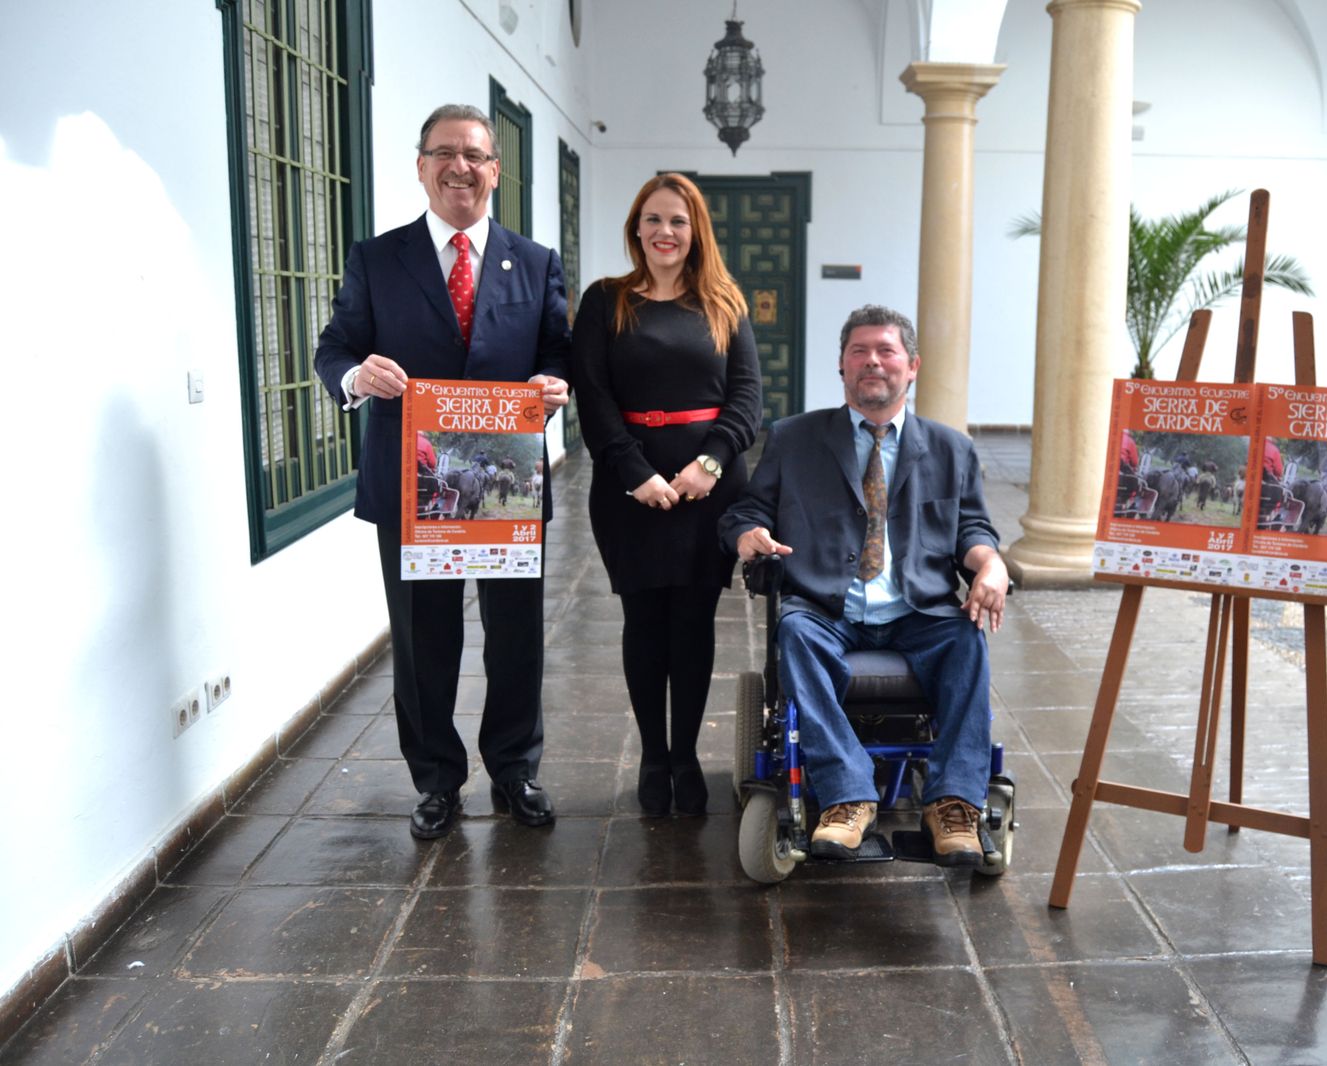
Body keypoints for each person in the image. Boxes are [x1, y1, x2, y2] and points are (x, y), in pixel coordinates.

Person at [314, 103, 571, 840]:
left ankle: (515, 768)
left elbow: (557, 351)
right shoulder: (377, 259)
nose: (461, 167)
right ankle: (435, 780)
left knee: (514, 635)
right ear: (421, 166)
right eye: (445, 154)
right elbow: (334, 350)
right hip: (414, 486)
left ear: (496, 170)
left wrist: (554, 385)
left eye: (476, 155)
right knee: (423, 638)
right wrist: (356, 376)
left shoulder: (535, 262)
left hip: (506, 485)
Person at [718, 305, 1009, 865]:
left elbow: (971, 529)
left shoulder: (951, 449)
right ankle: (848, 795)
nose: (872, 361)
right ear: (842, 366)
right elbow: (746, 512)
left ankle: (953, 803)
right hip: (827, 608)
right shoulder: (794, 438)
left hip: (917, 610)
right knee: (795, 634)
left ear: (912, 366)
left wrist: (990, 564)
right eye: (859, 351)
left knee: (966, 641)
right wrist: (749, 534)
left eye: (886, 351)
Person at [574, 173, 762, 817]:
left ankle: (686, 755)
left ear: (695, 230)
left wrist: (709, 463)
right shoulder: (605, 301)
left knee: (693, 622)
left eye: (678, 220)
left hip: (708, 489)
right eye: (652, 219)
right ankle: (653, 757)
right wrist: (634, 472)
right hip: (629, 488)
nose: (665, 231)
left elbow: (747, 397)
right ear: (636, 228)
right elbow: (593, 396)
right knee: (644, 621)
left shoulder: (724, 302)